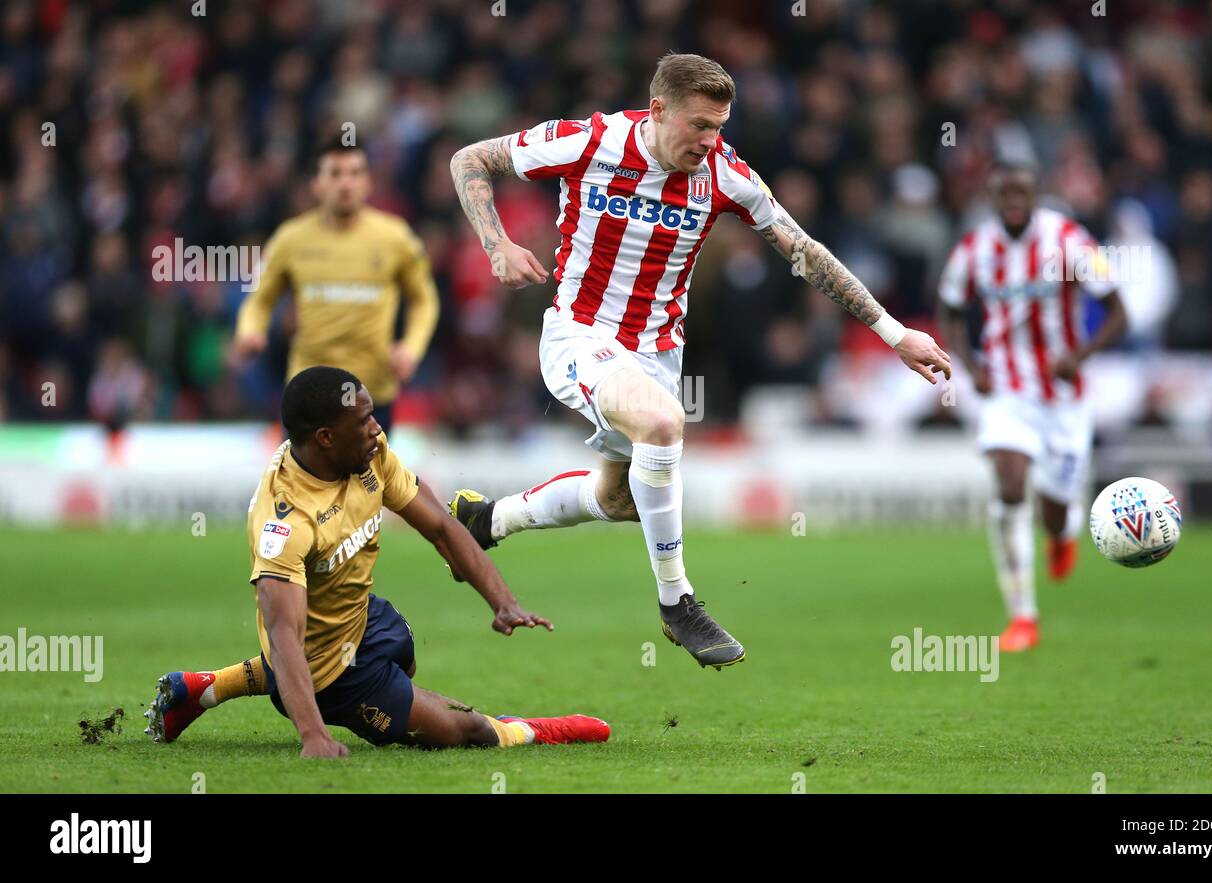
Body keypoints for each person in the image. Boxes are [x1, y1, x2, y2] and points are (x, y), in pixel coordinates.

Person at [446, 53, 951, 669]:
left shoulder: (725, 174)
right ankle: (678, 602)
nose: (710, 141)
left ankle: (486, 520)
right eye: (699, 126)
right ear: (657, 111)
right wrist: (496, 244)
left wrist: (894, 333)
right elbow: (468, 158)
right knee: (662, 425)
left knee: (618, 499)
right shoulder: (590, 141)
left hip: (657, 354)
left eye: (719, 127)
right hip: (580, 336)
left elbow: (806, 252)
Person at [146, 366, 609, 755]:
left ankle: (204, 688)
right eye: (364, 420)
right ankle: (540, 728)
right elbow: (284, 633)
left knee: (404, 658)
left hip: (366, 619)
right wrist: (314, 735)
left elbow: (444, 528)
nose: (377, 429)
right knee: (463, 732)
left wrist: (501, 601)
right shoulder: (285, 522)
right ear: (325, 438)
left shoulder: (368, 455)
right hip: (327, 674)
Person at [936, 160, 1127, 651]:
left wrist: (1079, 356)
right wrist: (972, 365)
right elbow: (950, 310)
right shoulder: (974, 249)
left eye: (1023, 192)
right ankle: (1023, 616)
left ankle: (1062, 534)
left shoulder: (1069, 239)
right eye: (1006, 194)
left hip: (1063, 396)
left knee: (1055, 512)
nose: (1015, 201)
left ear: (1037, 193)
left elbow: (1117, 312)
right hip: (1006, 390)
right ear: (994, 197)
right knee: (1009, 480)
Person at [231, 139, 439, 433]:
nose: (346, 184)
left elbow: (424, 300)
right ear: (316, 184)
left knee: (367, 481)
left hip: (372, 394)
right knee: (304, 481)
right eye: (335, 174)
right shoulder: (291, 239)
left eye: (355, 173)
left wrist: (411, 348)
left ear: (368, 182)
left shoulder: (395, 238)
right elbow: (260, 299)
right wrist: (249, 330)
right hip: (307, 394)